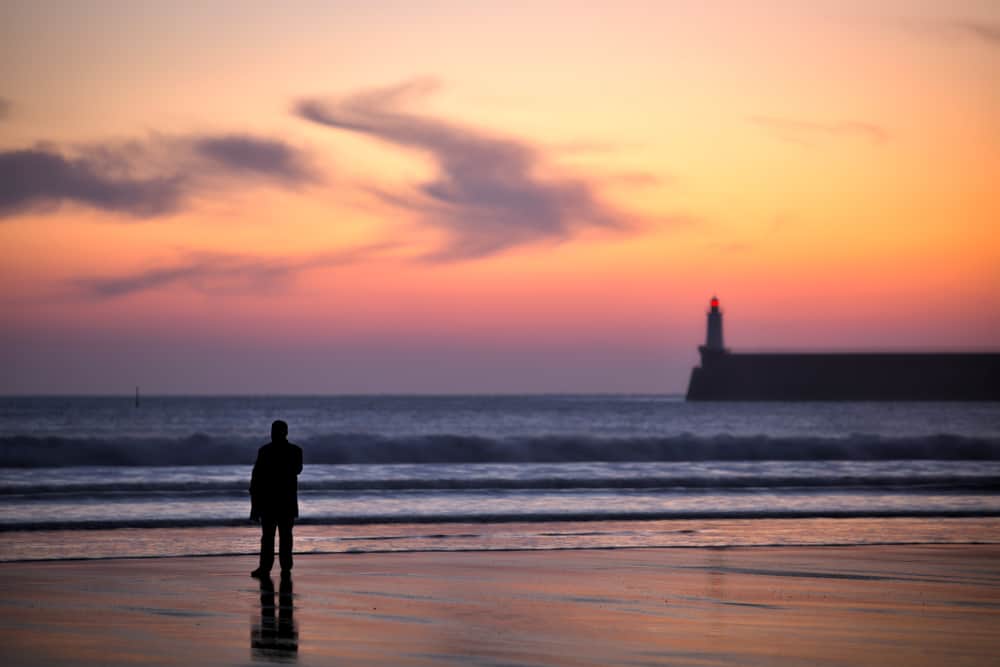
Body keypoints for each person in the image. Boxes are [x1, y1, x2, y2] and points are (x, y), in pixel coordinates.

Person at [250, 420, 303, 578]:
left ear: (285, 433)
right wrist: (254, 504)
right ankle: (269, 568)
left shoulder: (292, 451)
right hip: (273, 501)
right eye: (273, 431)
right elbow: (256, 478)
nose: (273, 434)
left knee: (281, 536)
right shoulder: (287, 451)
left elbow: (297, 469)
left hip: (280, 500)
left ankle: (283, 568)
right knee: (270, 537)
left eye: (277, 431)